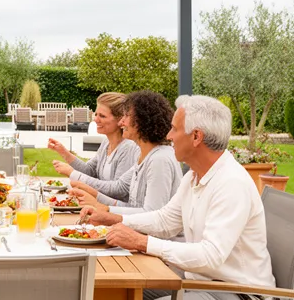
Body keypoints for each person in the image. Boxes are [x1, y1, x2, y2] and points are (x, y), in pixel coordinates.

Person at [80, 95, 275, 300]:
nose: (169, 135)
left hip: (235, 293)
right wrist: (114, 218)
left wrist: (142, 242)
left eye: (174, 128)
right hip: (198, 282)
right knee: (111, 290)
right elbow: (165, 221)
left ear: (196, 137)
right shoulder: (193, 176)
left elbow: (211, 255)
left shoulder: (231, 184)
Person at [68, 90, 180, 215]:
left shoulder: (159, 160)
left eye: (126, 116)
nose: (121, 123)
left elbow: (153, 214)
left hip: (151, 235)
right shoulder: (144, 156)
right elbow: (131, 205)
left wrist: (102, 207)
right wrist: (95, 198)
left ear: (141, 121)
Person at [48, 92, 139, 203]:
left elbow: (118, 191)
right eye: (96, 114)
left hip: (115, 214)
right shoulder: (106, 143)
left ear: (119, 120)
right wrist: (64, 152)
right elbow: (89, 171)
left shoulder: (128, 147)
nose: (95, 119)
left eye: (102, 116)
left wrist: (73, 174)